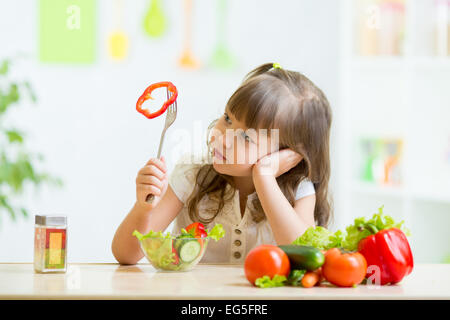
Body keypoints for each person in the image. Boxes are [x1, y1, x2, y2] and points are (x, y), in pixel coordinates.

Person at [112, 62, 333, 265]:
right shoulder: (193, 174)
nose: (223, 138)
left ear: (288, 155)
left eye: (246, 138)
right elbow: (126, 254)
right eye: (227, 119)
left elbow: (305, 260)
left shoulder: (299, 189)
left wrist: (264, 177)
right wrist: (142, 208)